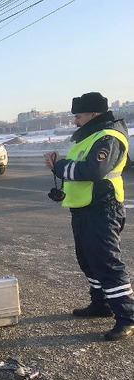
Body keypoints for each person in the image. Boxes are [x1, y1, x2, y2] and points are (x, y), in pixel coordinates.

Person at [44, 92, 133, 341]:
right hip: (84, 207)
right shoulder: (90, 136)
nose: (75, 122)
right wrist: (61, 166)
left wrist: (58, 167)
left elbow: (94, 169)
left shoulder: (108, 137)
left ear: (94, 114)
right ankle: (101, 304)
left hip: (102, 208)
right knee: (88, 260)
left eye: (79, 116)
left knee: (107, 263)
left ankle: (127, 317)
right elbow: (79, 166)